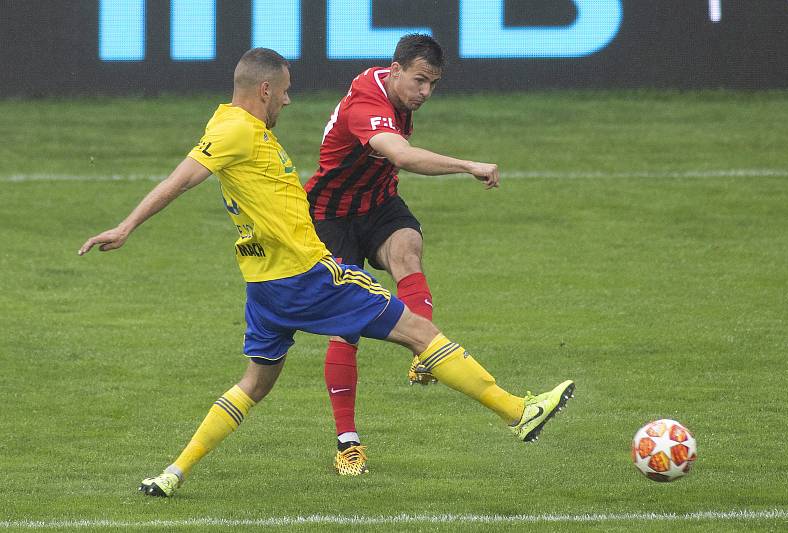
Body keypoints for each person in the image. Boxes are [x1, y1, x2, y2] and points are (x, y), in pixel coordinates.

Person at [78, 48, 574, 498]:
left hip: (264, 288)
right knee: (419, 330)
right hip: (306, 276)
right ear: (266, 90)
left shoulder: (226, 124)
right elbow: (180, 180)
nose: (289, 103)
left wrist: (127, 226)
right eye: (287, 91)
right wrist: (127, 225)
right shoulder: (236, 131)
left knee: (254, 383)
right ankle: (518, 412)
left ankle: (172, 473)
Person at [305, 33, 503, 475]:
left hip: (376, 202)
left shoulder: (398, 95)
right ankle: (347, 442)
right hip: (329, 215)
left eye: (432, 84)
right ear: (395, 71)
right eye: (419, 81)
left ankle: (423, 354)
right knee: (346, 326)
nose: (425, 93)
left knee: (409, 249)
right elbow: (403, 155)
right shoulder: (365, 102)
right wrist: (468, 165)